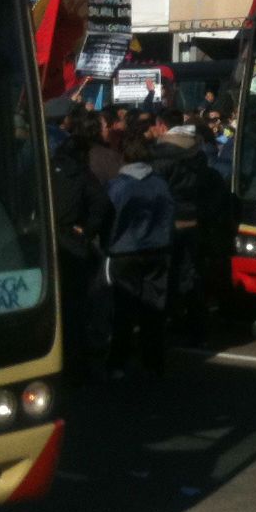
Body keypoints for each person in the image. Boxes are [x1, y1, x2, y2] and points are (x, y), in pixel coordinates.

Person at [148, 111, 229, 345]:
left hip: (168, 223)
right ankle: (196, 325)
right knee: (190, 273)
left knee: (166, 273)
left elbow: (158, 191)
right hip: (192, 221)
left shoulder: (161, 156)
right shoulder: (197, 156)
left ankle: (169, 321)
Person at [48, 104, 113, 383]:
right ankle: (77, 360)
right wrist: (86, 231)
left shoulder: (48, 168)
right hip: (74, 243)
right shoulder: (82, 172)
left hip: (49, 243)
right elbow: (101, 204)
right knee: (78, 306)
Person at [106, 136, 176, 378]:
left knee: (123, 310)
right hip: (157, 249)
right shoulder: (160, 184)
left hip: (124, 251)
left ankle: (118, 362)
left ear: (124, 157)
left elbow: (110, 219)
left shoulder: (117, 185)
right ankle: (154, 362)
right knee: (154, 309)